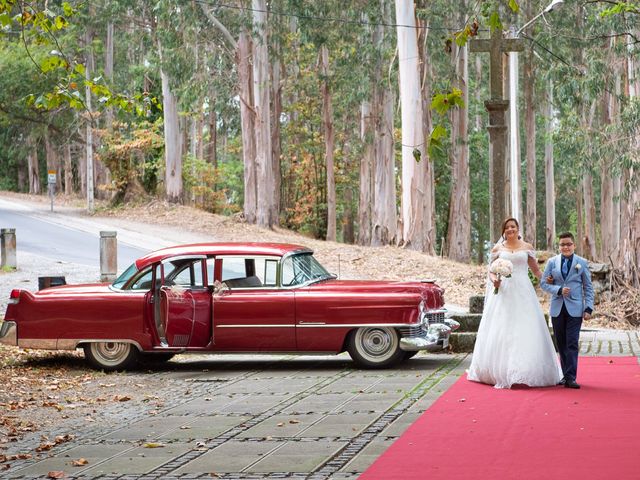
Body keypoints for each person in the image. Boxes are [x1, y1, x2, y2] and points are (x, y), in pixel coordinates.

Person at [467, 218, 562, 389]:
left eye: (513, 227)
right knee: (502, 328)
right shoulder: (498, 249)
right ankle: (499, 370)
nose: (510, 229)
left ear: (518, 229)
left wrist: (550, 283)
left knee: (525, 327)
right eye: (507, 227)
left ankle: (526, 370)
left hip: (523, 291)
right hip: (503, 292)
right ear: (503, 231)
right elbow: (491, 271)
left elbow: (536, 270)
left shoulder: (527, 247)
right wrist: (495, 280)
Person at [540, 232, 594, 389]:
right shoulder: (552, 262)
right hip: (557, 308)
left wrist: (588, 307)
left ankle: (571, 377)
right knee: (561, 343)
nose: (566, 247)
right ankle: (565, 375)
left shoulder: (581, 263)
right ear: (559, 246)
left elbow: (588, 287)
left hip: (575, 309)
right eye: (562, 244)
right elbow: (544, 283)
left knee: (572, 342)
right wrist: (558, 289)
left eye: (568, 244)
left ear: (574, 245)